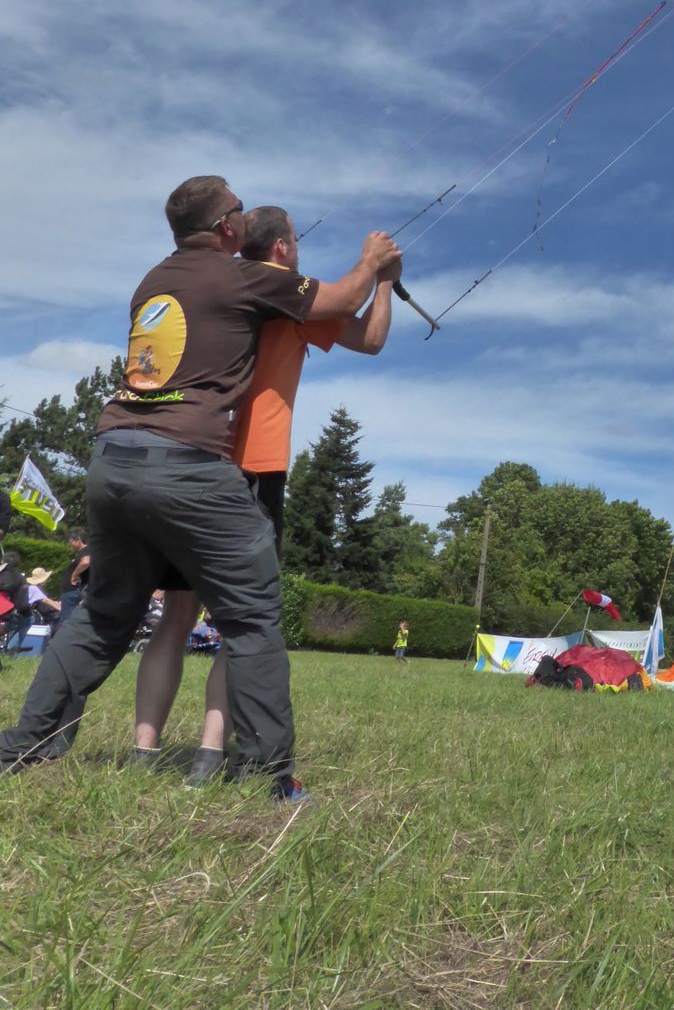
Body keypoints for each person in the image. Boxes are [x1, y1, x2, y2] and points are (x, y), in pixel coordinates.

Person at [0, 175, 399, 800]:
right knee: (251, 619)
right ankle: (270, 778)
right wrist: (375, 263)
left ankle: (20, 749)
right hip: (189, 467)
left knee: (105, 615)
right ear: (226, 229)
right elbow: (348, 297)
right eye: (237, 210)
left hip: (112, 458)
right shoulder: (241, 276)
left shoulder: (152, 281)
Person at [133, 204, 401, 785]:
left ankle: (143, 752)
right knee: (242, 622)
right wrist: (382, 281)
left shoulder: (220, 286)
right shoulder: (287, 294)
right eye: (297, 242)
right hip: (254, 469)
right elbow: (372, 339)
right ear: (281, 249)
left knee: (175, 616)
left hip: (189, 460)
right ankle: (209, 755)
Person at [50, 532, 90, 634]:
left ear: (78, 540)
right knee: (72, 619)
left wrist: (74, 575)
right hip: (73, 591)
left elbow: (86, 562)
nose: (70, 544)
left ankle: (62, 644)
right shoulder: (84, 552)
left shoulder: (86, 551)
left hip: (72, 591)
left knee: (66, 620)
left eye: (71, 541)